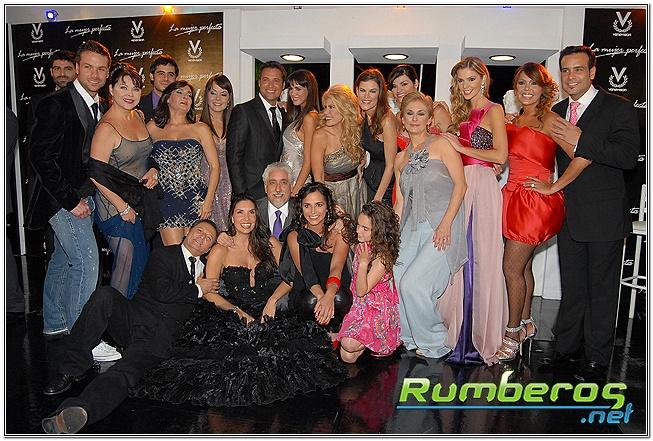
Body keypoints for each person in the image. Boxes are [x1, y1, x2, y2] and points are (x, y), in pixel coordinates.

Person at [131, 194, 346, 408]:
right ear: (232, 218)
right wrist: (236, 311)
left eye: (251, 212)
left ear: (257, 216)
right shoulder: (220, 249)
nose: (246, 218)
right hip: (230, 314)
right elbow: (209, 293)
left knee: (289, 359)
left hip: (267, 312)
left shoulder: (270, 244)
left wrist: (272, 300)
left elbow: (290, 278)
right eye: (240, 212)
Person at [40, 220, 219, 434]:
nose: (202, 237)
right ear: (188, 232)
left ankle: (78, 411)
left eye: (208, 238)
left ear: (209, 248)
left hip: (155, 341)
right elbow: (162, 290)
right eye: (199, 231)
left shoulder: (206, 272)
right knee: (105, 296)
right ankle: (70, 369)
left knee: (125, 373)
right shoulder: (164, 255)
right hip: (133, 319)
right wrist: (198, 289)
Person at [536, 45, 639, 382]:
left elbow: (627, 157)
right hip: (569, 215)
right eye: (566, 70)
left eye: (578, 69)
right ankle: (566, 352)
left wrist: (582, 140)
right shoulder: (558, 110)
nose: (571, 77)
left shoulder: (618, 108)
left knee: (601, 292)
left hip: (605, 217)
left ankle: (596, 360)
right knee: (573, 289)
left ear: (592, 72)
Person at [26, 40, 110, 337]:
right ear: (77, 68)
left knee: (62, 260)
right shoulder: (55, 103)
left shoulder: (102, 104)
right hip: (62, 199)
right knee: (87, 262)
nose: (95, 74)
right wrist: (71, 200)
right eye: (88, 67)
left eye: (101, 69)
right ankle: (84, 337)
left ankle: (55, 322)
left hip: (85, 195)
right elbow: (40, 157)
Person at [492, 63, 566, 361]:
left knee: (510, 268)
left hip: (533, 203)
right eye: (522, 83)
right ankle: (526, 323)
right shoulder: (514, 119)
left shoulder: (551, 120)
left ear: (544, 88)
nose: (526, 89)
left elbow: (581, 155)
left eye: (533, 84)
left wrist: (554, 185)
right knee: (522, 268)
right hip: (512, 196)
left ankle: (511, 333)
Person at [438, 57, 508, 365]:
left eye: (471, 79)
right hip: (461, 184)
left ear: (483, 80)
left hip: (481, 185)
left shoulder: (494, 110)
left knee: (480, 255)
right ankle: (457, 329)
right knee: (458, 254)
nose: (465, 85)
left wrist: (462, 147)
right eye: (460, 80)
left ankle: (478, 334)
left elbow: (501, 156)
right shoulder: (460, 112)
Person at [393, 92, 467, 359]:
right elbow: (401, 203)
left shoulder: (442, 145)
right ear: (402, 118)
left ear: (429, 118)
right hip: (412, 227)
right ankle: (409, 336)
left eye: (420, 113)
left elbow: (461, 186)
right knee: (396, 275)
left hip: (442, 223)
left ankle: (436, 340)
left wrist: (446, 224)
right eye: (409, 113)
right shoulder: (400, 159)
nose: (415, 119)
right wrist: (392, 239)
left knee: (413, 283)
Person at [88, 63, 159, 299]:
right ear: (111, 89)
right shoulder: (106, 128)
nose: (130, 94)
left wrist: (153, 170)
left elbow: (147, 155)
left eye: (135, 88)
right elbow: (95, 174)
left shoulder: (139, 115)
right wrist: (122, 207)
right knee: (126, 261)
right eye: (123, 87)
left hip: (138, 203)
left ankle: (132, 314)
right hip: (114, 207)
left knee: (140, 262)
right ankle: (114, 315)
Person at [269, 182, 356, 334]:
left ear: (328, 206)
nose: (313, 211)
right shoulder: (294, 235)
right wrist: (322, 297)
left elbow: (337, 267)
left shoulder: (339, 231)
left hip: (334, 286)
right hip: (307, 290)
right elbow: (307, 273)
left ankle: (336, 335)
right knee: (310, 301)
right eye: (307, 206)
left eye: (319, 205)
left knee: (339, 298)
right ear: (301, 208)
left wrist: (329, 295)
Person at [148, 80, 220, 246]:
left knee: (195, 251)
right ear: (167, 98)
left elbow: (215, 167)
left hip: (196, 198)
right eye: (180, 93)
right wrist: (152, 169)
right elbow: (141, 156)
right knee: (174, 252)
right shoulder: (152, 127)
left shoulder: (200, 128)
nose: (185, 98)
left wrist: (208, 200)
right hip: (166, 199)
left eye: (189, 95)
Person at [337, 201, 401, 362]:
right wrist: (344, 217)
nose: (358, 230)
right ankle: (365, 342)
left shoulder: (382, 257)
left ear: (378, 231)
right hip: (357, 304)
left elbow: (361, 291)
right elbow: (352, 237)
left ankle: (373, 339)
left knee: (348, 345)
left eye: (365, 229)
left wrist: (364, 263)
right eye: (358, 225)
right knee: (347, 356)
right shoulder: (364, 243)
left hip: (375, 308)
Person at [227, 61, 287, 199]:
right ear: (259, 83)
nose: (270, 85)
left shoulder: (284, 114)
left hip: (277, 193)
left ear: (283, 85)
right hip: (250, 193)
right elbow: (234, 157)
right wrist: (242, 196)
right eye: (266, 80)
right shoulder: (243, 111)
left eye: (276, 81)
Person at [311, 84, 366, 218]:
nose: (326, 113)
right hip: (333, 195)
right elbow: (318, 178)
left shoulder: (356, 130)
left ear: (345, 108)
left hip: (356, 191)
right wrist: (330, 204)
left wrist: (361, 163)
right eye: (325, 107)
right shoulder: (320, 136)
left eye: (331, 107)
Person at [355, 68, 398, 205]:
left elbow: (391, 165)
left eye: (372, 91)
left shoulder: (386, 121)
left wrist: (377, 199)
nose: (366, 96)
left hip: (387, 187)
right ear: (356, 90)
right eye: (363, 90)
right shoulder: (364, 115)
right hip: (371, 180)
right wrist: (362, 163)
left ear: (380, 93)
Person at [388, 64, 452, 150]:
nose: (398, 90)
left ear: (416, 83)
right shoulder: (399, 116)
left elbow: (454, 144)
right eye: (394, 86)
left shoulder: (436, 110)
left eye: (404, 84)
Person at [199, 74, 233, 231]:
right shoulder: (195, 123)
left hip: (230, 187)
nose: (218, 99)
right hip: (205, 186)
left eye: (223, 94)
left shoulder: (235, 123)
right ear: (206, 95)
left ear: (229, 99)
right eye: (213, 93)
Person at [280, 69, 320, 195]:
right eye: (291, 89)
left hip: (298, 182)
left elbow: (308, 161)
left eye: (298, 89)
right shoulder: (302, 115)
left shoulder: (309, 118)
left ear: (310, 90)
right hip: (290, 180)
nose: (293, 93)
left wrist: (295, 190)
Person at [138, 54, 178, 123]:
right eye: (161, 74)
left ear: (176, 79)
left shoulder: (183, 106)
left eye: (170, 74)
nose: (166, 79)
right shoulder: (138, 104)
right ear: (152, 76)